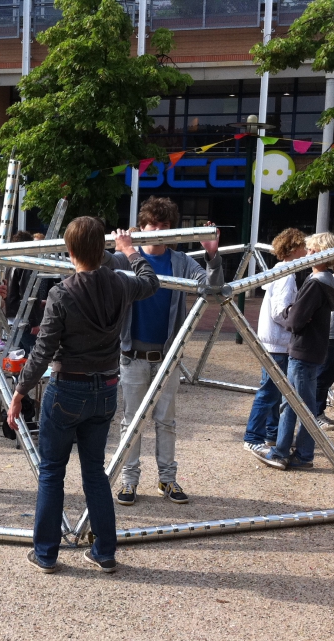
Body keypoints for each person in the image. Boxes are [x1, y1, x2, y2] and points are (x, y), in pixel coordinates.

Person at [7, 218, 159, 574]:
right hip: (105, 387)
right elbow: (151, 282)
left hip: (67, 388)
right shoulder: (121, 284)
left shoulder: (62, 292)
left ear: (70, 250)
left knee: (52, 473)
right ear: (104, 251)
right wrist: (130, 251)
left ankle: (46, 553)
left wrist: (19, 392)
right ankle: (104, 552)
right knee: (94, 472)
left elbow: (42, 352)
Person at [106, 197, 223, 507]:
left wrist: (212, 255)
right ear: (141, 227)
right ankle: (129, 480)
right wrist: (122, 248)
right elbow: (100, 270)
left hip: (168, 356)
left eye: (164, 226)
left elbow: (212, 290)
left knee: (166, 421)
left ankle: (167, 479)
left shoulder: (180, 261)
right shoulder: (125, 258)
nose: (157, 231)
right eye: (152, 225)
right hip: (132, 356)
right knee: (131, 421)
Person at [253, 232, 334, 471]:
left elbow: (294, 321)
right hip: (312, 349)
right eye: (308, 250)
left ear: (324, 255)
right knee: (303, 404)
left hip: (302, 350)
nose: (308, 254)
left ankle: (285, 452)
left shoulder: (314, 283)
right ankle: (298, 452)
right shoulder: (327, 282)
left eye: (312, 251)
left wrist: (292, 313)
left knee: (293, 404)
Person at [242, 228, 308, 453]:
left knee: (274, 389)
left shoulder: (280, 273)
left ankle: (271, 433)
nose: (307, 251)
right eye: (304, 246)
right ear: (295, 249)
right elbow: (280, 312)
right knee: (270, 390)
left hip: (273, 341)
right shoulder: (287, 276)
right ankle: (253, 436)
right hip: (278, 342)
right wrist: (297, 323)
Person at [313, 264, 334, 430]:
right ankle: (315, 413)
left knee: (329, 375)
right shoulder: (330, 281)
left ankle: (319, 411)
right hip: (330, 333)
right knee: (323, 375)